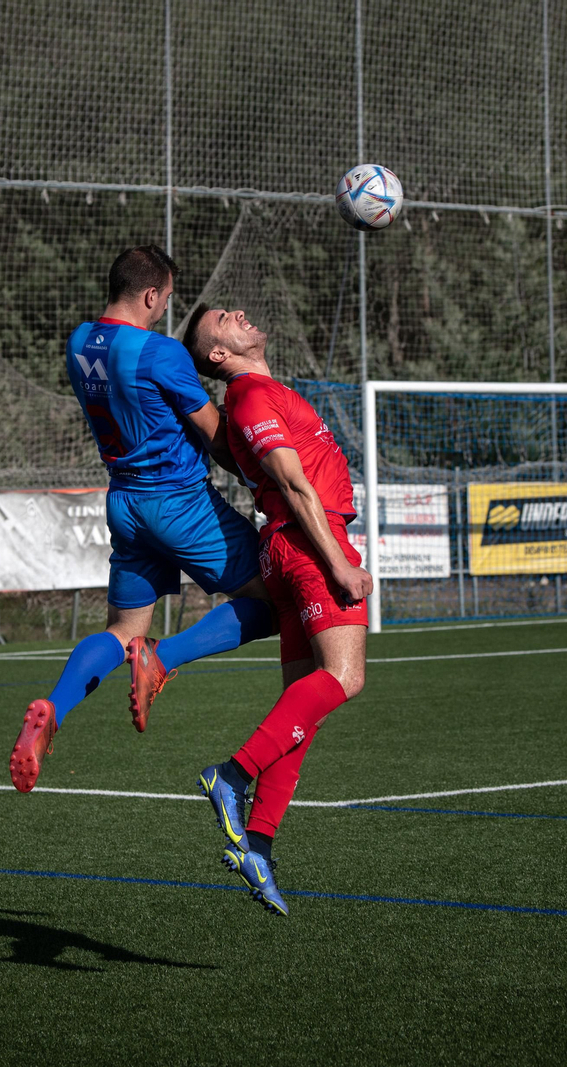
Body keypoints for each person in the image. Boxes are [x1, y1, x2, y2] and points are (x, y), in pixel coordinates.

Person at [8, 247, 275, 792]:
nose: (164, 310)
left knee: (122, 629)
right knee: (277, 598)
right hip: (179, 503)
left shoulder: (79, 342)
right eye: (166, 299)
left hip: (125, 504)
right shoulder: (159, 352)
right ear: (151, 295)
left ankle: (54, 709)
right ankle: (162, 659)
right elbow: (218, 438)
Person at [184, 304, 372, 916]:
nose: (237, 313)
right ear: (219, 354)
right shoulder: (250, 397)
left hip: (284, 550)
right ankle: (232, 776)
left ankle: (258, 842)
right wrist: (338, 562)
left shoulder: (257, 394)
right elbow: (294, 487)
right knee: (345, 679)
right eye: (222, 318)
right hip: (309, 543)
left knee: (302, 710)